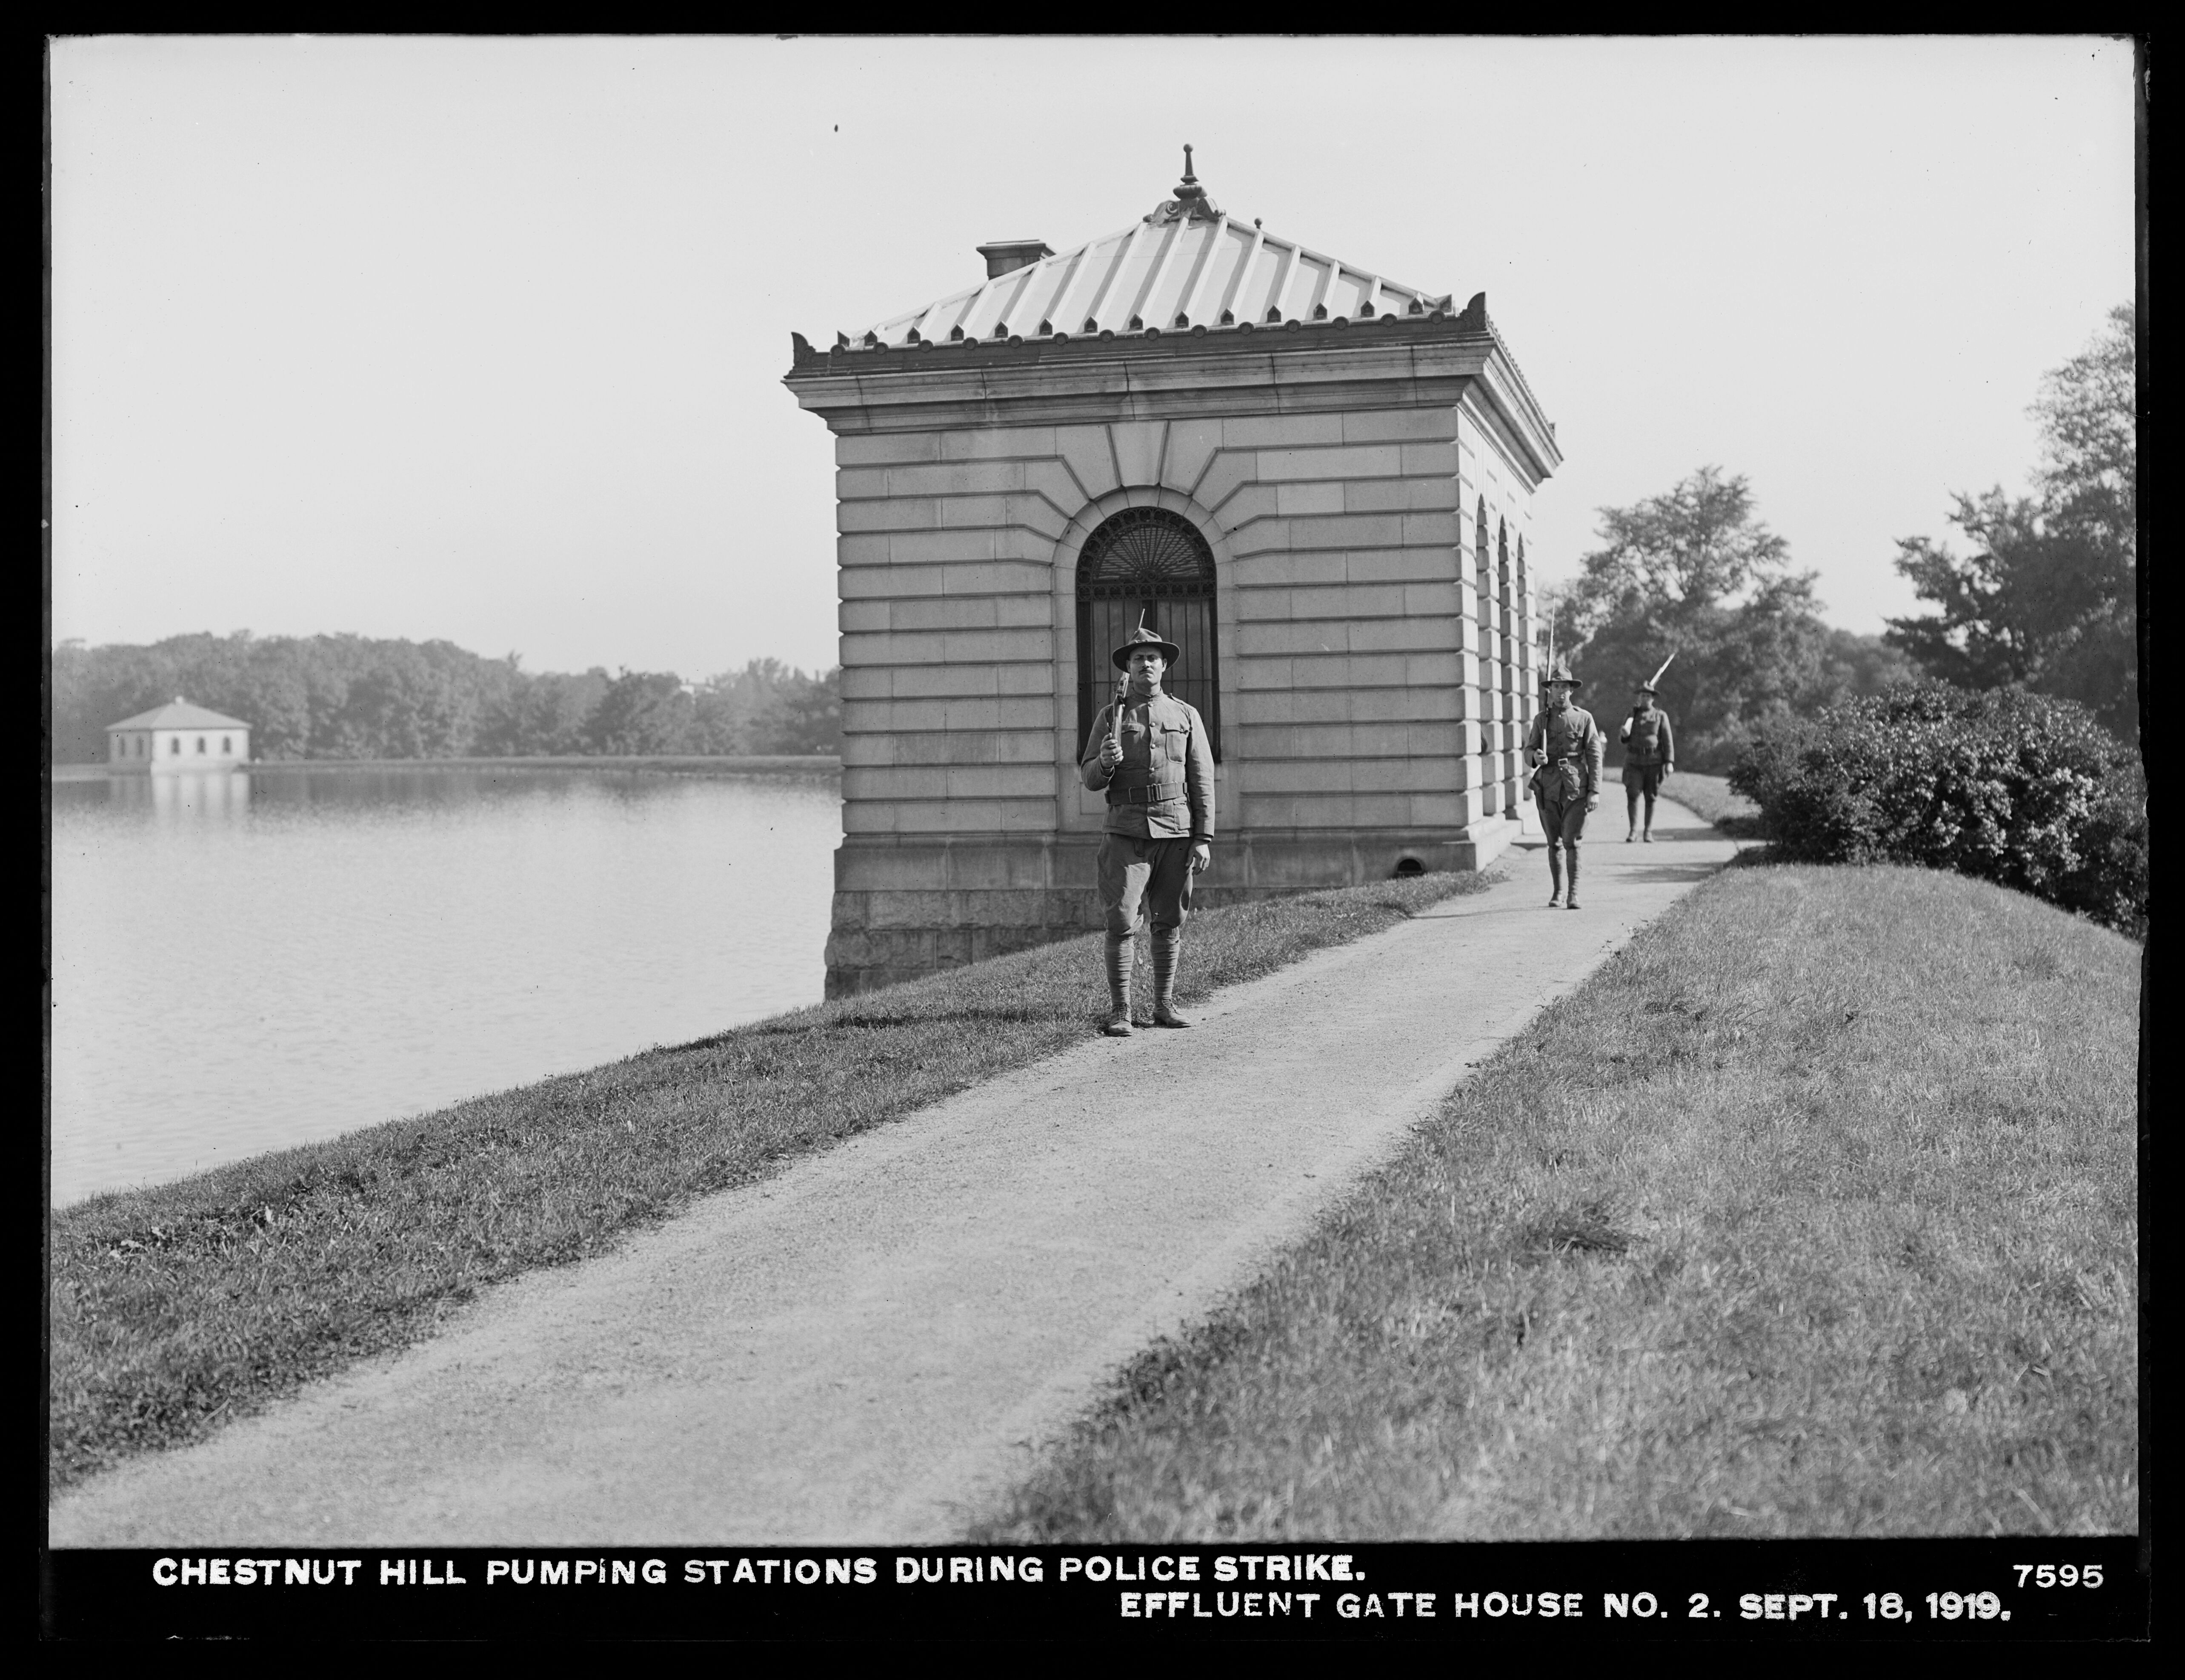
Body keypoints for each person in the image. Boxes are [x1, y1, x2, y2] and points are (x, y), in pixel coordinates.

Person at [1080, 625, 1216, 1037]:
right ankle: (1121, 1011)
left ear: (1164, 665)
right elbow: (1089, 778)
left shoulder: (1186, 715)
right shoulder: (1112, 717)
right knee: (1122, 921)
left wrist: (1204, 837)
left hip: (1176, 829)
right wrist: (1105, 760)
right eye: (1138, 659)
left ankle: (1164, 1006)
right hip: (1126, 832)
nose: (1145, 664)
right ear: (1128, 668)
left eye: (1152, 658)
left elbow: (1202, 778)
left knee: (1170, 919)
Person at [1525, 660, 1603, 909]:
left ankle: (1574, 894)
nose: (1560, 692)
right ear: (1551, 691)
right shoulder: (1541, 719)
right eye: (1556, 687)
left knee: (1572, 841)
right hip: (1548, 788)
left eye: (1565, 687)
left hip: (1575, 788)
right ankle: (1558, 893)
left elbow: (1594, 755)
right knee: (1554, 842)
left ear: (1572, 690)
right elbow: (1529, 749)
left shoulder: (1584, 719)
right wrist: (1535, 757)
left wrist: (1595, 791)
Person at [1618, 680, 1676, 843]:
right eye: (1642, 696)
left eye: (1648, 696)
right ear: (1639, 698)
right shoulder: (1632, 714)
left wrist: (1669, 762)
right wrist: (1624, 734)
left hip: (1654, 762)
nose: (1645, 699)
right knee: (1632, 794)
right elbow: (1624, 738)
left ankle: (1648, 832)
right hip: (1634, 762)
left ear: (1653, 699)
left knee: (1651, 797)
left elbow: (1667, 740)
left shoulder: (1660, 715)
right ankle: (1633, 831)